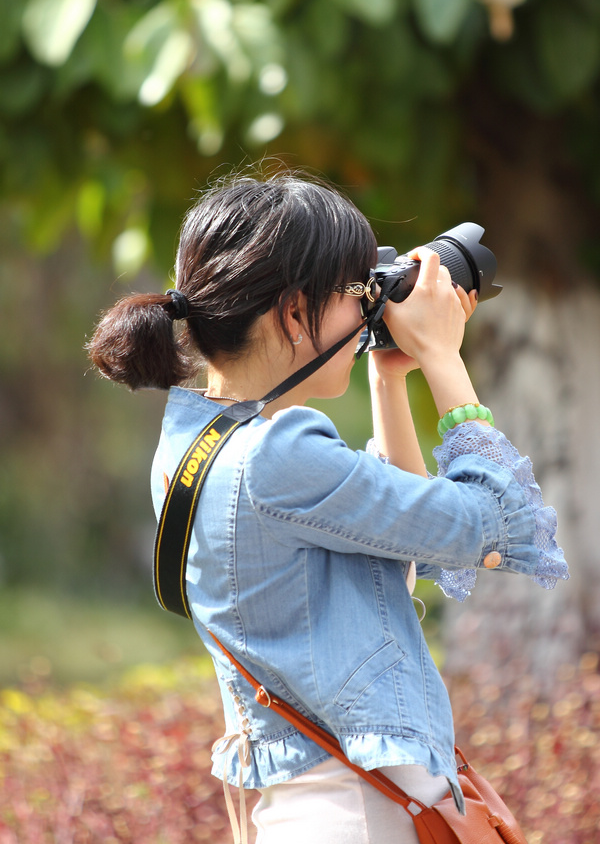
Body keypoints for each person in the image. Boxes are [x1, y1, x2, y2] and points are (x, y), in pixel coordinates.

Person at [88, 171, 568, 844]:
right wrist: (440, 357)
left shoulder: (193, 449)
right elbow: (483, 523)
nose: (370, 308)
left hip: (317, 810)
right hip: (360, 815)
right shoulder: (281, 452)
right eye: (356, 293)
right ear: (292, 313)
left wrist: (387, 377)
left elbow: (403, 538)